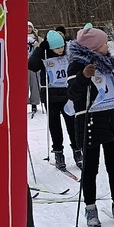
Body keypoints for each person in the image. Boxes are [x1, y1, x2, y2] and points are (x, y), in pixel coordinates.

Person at [67, 27, 114, 227]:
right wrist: (82, 77)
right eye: (104, 43)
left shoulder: (106, 63)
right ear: (93, 47)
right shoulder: (78, 64)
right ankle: (90, 208)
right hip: (90, 121)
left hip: (111, 118)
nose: (107, 46)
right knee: (91, 167)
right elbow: (73, 94)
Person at [28, 29, 79, 169]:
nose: (60, 50)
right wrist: (39, 49)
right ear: (50, 47)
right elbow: (31, 65)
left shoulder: (68, 54)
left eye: (62, 46)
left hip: (67, 95)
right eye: (57, 47)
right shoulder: (44, 56)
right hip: (51, 97)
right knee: (55, 127)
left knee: (72, 124)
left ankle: (77, 150)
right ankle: (58, 152)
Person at [27, 21, 42, 115]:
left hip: (33, 64)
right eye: (27, 27)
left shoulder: (37, 38)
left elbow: (42, 47)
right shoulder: (18, 36)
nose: (28, 29)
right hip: (23, 64)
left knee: (35, 84)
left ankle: (34, 104)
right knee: (24, 85)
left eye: (30, 27)